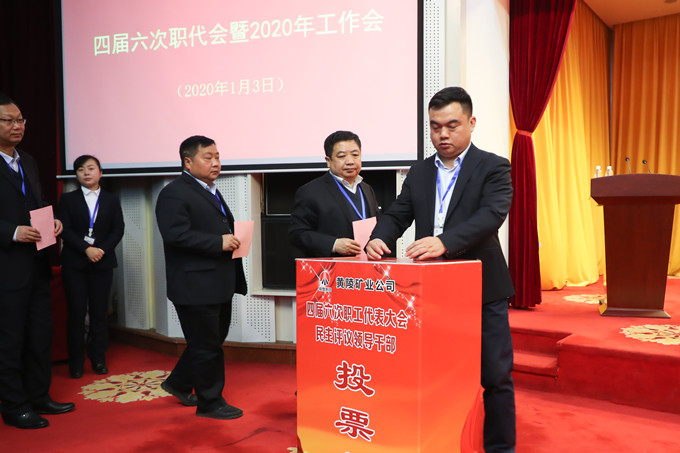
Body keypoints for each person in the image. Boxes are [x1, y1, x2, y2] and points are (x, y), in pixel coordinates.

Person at [365, 87, 516, 452]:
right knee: (435, 374)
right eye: (435, 127)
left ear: (471, 123)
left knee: (495, 375)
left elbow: (491, 215)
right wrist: (378, 237)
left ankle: (500, 448)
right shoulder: (419, 172)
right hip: (429, 290)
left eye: (452, 125)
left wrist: (445, 242)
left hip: (482, 289)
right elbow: (398, 213)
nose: (443, 134)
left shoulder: (493, 166)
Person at [155, 135, 247, 420]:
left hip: (217, 281)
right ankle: (210, 403)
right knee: (207, 346)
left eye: (217, 157)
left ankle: (179, 383)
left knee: (209, 340)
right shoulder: (174, 193)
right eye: (208, 157)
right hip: (194, 284)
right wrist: (218, 242)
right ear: (188, 161)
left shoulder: (209, 190)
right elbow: (175, 235)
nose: (216, 162)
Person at [0, 93, 75, 429]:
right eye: (9, 121)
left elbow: (39, 201)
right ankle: (14, 406)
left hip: (38, 263)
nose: (17, 126)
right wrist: (13, 232)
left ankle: (39, 395)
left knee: (40, 334)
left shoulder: (27, 160)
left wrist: (52, 220)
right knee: (10, 339)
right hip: (7, 267)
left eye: (21, 120)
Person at [58, 155, 125, 379]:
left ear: (100, 172)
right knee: (76, 313)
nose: (86, 173)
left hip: (102, 262)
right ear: (76, 175)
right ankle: (76, 362)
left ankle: (98, 359)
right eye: (80, 169)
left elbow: (118, 229)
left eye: (90, 168)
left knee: (99, 313)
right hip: (74, 263)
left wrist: (101, 250)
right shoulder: (67, 199)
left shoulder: (111, 200)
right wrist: (86, 249)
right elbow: (64, 229)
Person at [289, 130, 381, 257]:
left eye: (355, 155)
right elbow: (297, 234)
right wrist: (333, 244)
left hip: (366, 265)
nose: (350, 161)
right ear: (328, 161)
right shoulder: (310, 191)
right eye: (342, 156)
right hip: (332, 266)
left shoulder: (366, 188)